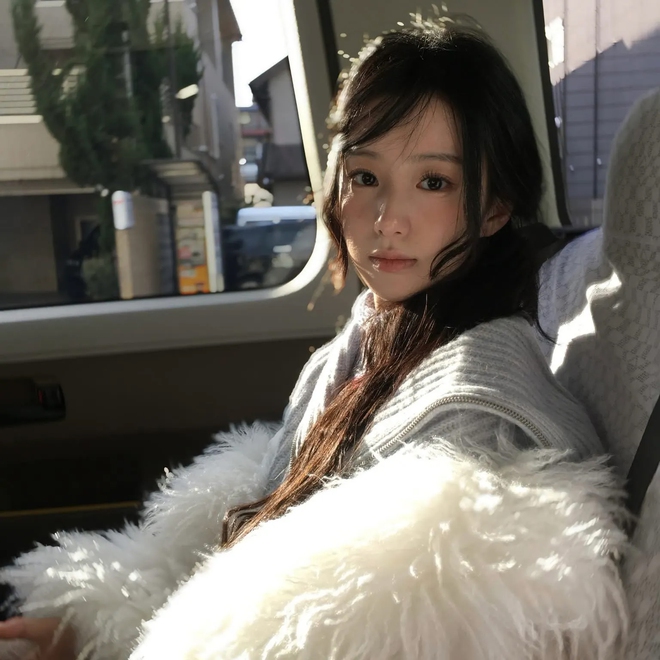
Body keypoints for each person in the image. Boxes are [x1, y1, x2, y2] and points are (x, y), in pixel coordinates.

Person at [0, 21, 628, 660]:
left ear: (494, 207)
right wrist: (99, 630)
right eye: (365, 176)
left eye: (434, 182)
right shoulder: (361, 345)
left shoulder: (478, 416)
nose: (388, 219)